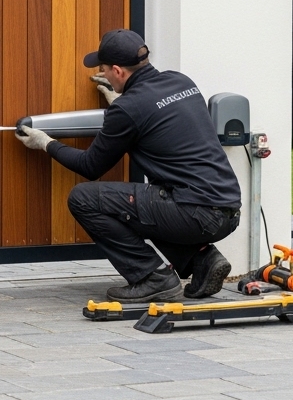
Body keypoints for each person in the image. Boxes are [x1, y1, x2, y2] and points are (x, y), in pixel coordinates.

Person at [16, 29, 241, 301]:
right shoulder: (181, 81)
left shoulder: (129, 108)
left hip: (195, 214)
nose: (104, 74)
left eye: (104, 69)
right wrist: (123, 103)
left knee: (84, 198)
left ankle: (152, 276)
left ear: (118, 71)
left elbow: (90, 166)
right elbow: (159, 117)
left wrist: (46, 142)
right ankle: (202, 261)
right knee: (154, 199)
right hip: (227, 210)